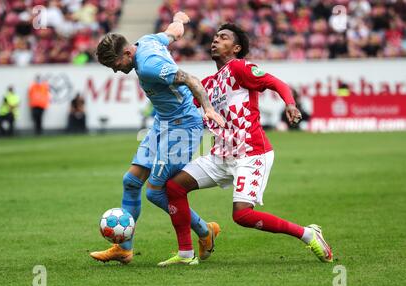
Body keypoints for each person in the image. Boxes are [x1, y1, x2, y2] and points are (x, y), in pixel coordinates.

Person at [159, 23, 333, 266]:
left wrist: (290, 104)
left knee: (242, 215)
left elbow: (276, 83)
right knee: (174, 188)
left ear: (236, 48)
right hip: (221, 155)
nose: (215, 40)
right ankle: (186, 254)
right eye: (215, 37)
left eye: (223, 37)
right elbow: (188, 111)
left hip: (251, 152)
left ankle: (308, 234)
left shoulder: (240, 68)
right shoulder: (208, 84)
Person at [90, 12, 225, 265]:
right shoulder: (148, 40)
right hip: (162, 123)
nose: (118, 72)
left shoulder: (150, 64)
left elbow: (191, 79)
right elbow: (173, 32)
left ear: (127, 54)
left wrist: (207, 108)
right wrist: (180, 19)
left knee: (155, 192)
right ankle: (123, 249)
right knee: (131, 181)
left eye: (115, 66)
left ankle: (205, 231)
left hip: (183, 127)